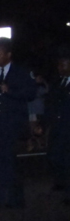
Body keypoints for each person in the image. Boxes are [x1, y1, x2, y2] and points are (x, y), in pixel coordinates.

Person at [0, 38, 37, 210]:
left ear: (8, 55)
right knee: (6, 161)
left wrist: (10, 91)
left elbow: (30, 93)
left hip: (13, 124)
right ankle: (16, 198)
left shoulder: (20, 72)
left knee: (5, 161)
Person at [44, 47, 70, 204]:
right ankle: (60, 181)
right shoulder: (59, 82)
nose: (60, 68)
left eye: (64, 65)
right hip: (58, 126)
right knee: (55, 156)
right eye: (59, 65)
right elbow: (51, 103)